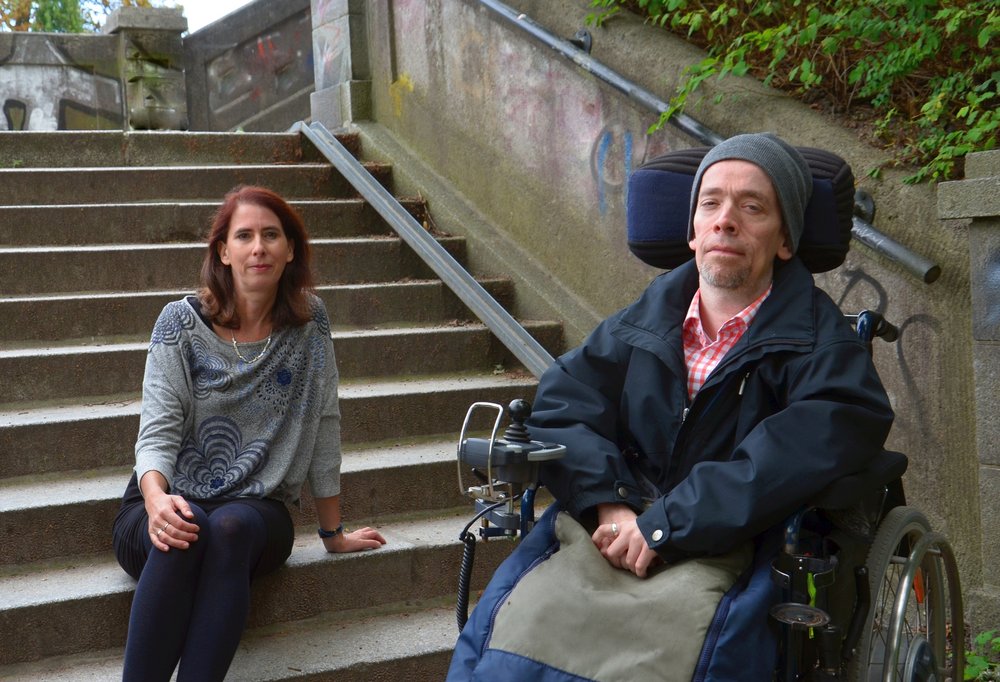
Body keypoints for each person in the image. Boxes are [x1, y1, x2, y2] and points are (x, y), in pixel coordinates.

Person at [530, 132, 893, 578]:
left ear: (785, 240)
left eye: (752, 207)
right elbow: (562, 408)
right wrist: (611, 505)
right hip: (614, 530)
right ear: (692, 233)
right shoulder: (636, 327)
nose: (725, 221)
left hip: (741, 550)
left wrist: (665, 526)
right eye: (710, 203)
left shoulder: (823, 348)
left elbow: (790, 456)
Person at [112, 185, 386, 682]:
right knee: (188, 526)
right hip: (161, 503)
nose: (257, 247)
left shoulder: (310, 324)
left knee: (228, 527)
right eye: (244, 236)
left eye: (270, 235)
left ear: (289, 250)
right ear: (223, 250)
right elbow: (156, 430)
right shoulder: (178, 324)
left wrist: (333, 533)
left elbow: (325, 422)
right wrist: (155, 500)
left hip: (256, 511)